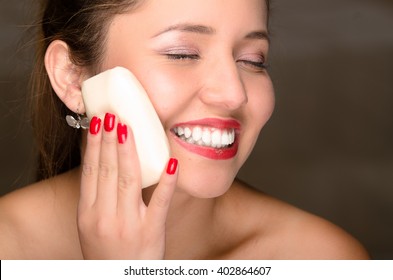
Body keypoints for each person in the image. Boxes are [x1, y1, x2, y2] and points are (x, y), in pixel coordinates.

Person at [0, 0, 369, 259]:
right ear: (71, 77)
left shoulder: (321, 260)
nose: (233, 94)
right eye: (182, 54)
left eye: (252, 60)